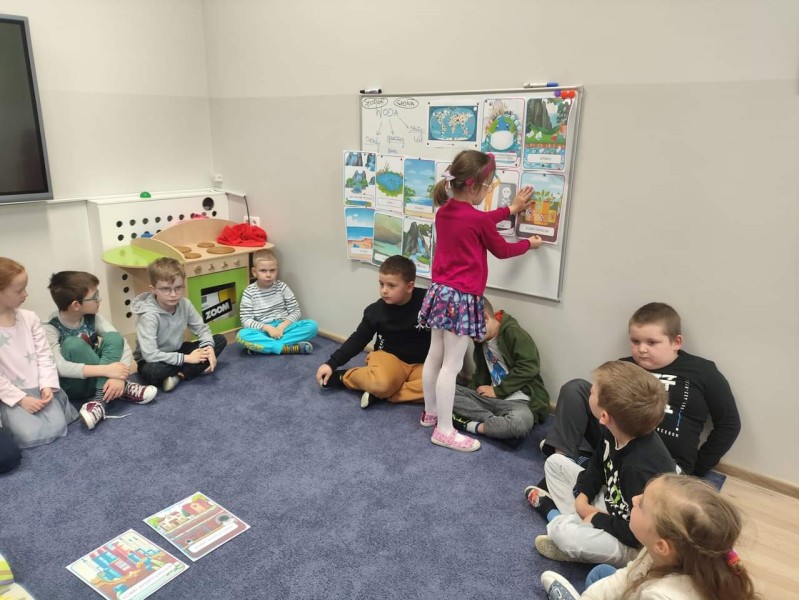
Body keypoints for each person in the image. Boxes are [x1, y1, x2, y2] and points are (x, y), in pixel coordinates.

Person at [417, 150, 541, 452]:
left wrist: (510, 209)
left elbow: (480, 220)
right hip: (461, 299)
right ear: (474, 186)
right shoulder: (476, 220)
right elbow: (502, 250)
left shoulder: (444, 211)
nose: (488, 192)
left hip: (440, 293)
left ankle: (430, 413)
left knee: (434, 355)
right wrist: (528, 243)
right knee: (452, 365)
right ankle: (444, 430)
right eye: (488, 187)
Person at [541, 302, 741, 477]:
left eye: (652, 342)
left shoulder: (703, 371)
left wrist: (698, 469)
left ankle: (585, 466)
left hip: (665, 462)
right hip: (616, 445)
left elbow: (729, 424)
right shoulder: (624, 366)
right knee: (576, 388)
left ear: (676, 342)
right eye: (635, 341)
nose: (642, 349)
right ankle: (562, 461)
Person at [525, 361, 677, 567]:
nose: (589, 391)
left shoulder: (639, 468)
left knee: (566, 536)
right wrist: (583, 497)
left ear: (604, 416)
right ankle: (575, 527)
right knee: (554, 462)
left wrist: (594, 516)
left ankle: (554, 516)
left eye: (592, 391)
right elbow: (598, 465)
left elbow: (637, 534)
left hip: (632, 537)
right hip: (611, 504)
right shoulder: (614, 429)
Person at [540, 473, 760, 600]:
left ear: (662, 546)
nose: (634, 499)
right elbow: (625, 578)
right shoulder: (661, 550)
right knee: (601, 574)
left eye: (642, 503)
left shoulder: (660, 596)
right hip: (644, 587)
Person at [43, 271, 157, 430]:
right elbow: (60, 367)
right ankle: (114, 391)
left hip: (101, 377)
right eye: (95, 297)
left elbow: (121, 341)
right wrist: (108, 370)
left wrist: (118, 377)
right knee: (73, 344)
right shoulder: (50, 327)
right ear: (76, 305)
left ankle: (100, 399)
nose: (99, 300)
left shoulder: (92, 316)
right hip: (76, 385)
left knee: (114, 338)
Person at [316, 255, 429, 409]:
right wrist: (331, 364)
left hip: (420, 364)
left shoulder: (429, 302)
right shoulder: (376, 311)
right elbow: (358, 339)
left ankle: (382, 394)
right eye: (381, 284)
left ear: (409, 287)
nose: (384, 290)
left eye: (391, 285)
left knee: (440, 386)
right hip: (389, 359)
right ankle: (344, 377)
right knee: (382, 383)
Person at [0, 258, 78, 449]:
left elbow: (44, 355)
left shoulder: (29, 318)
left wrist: (47, 385)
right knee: (28, 434)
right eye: (19, 290)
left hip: (38, 384)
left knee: (57, 425)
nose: (26, 294)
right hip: (9, 392)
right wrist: (21, 399)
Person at [451, 297, 549, 441]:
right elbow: (480, 374)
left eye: (471, 330)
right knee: (444, 391)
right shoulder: (480, 341)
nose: (470, 336)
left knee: (519, 423)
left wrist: (498, 391)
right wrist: (473, 393)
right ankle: (495, 424)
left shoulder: (513, 332)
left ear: (485, 318)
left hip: (518, 402)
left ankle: (472, 426)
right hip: (489, 399)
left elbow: (530, 367)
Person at [132, 258, 227, 392]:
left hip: (177, 349)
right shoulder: (148, 316)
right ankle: (189, 370)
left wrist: (208, 348)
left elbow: (202, 329)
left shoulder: (185, 304)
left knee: (219, 340)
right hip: (152, 360)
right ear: (153, 289)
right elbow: (150, 355)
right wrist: (187, 358)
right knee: (154, 372)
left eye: (178, 288)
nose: (173, 294)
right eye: (166, 289)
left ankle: (179, 377)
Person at [235, 249, 318, 355]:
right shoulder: (249, 292)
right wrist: (268, 328)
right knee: (242, 335)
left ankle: (265, 347)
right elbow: (246, 320)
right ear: (254, 272)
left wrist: (281, 327)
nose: (268, 275)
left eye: (272, 270)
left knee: (312, 325)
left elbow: (295, 311)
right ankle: (286, 348)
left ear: (277, 270)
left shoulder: (282, 287)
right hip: (263, 331)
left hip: (284, 328)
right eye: (263, 270)